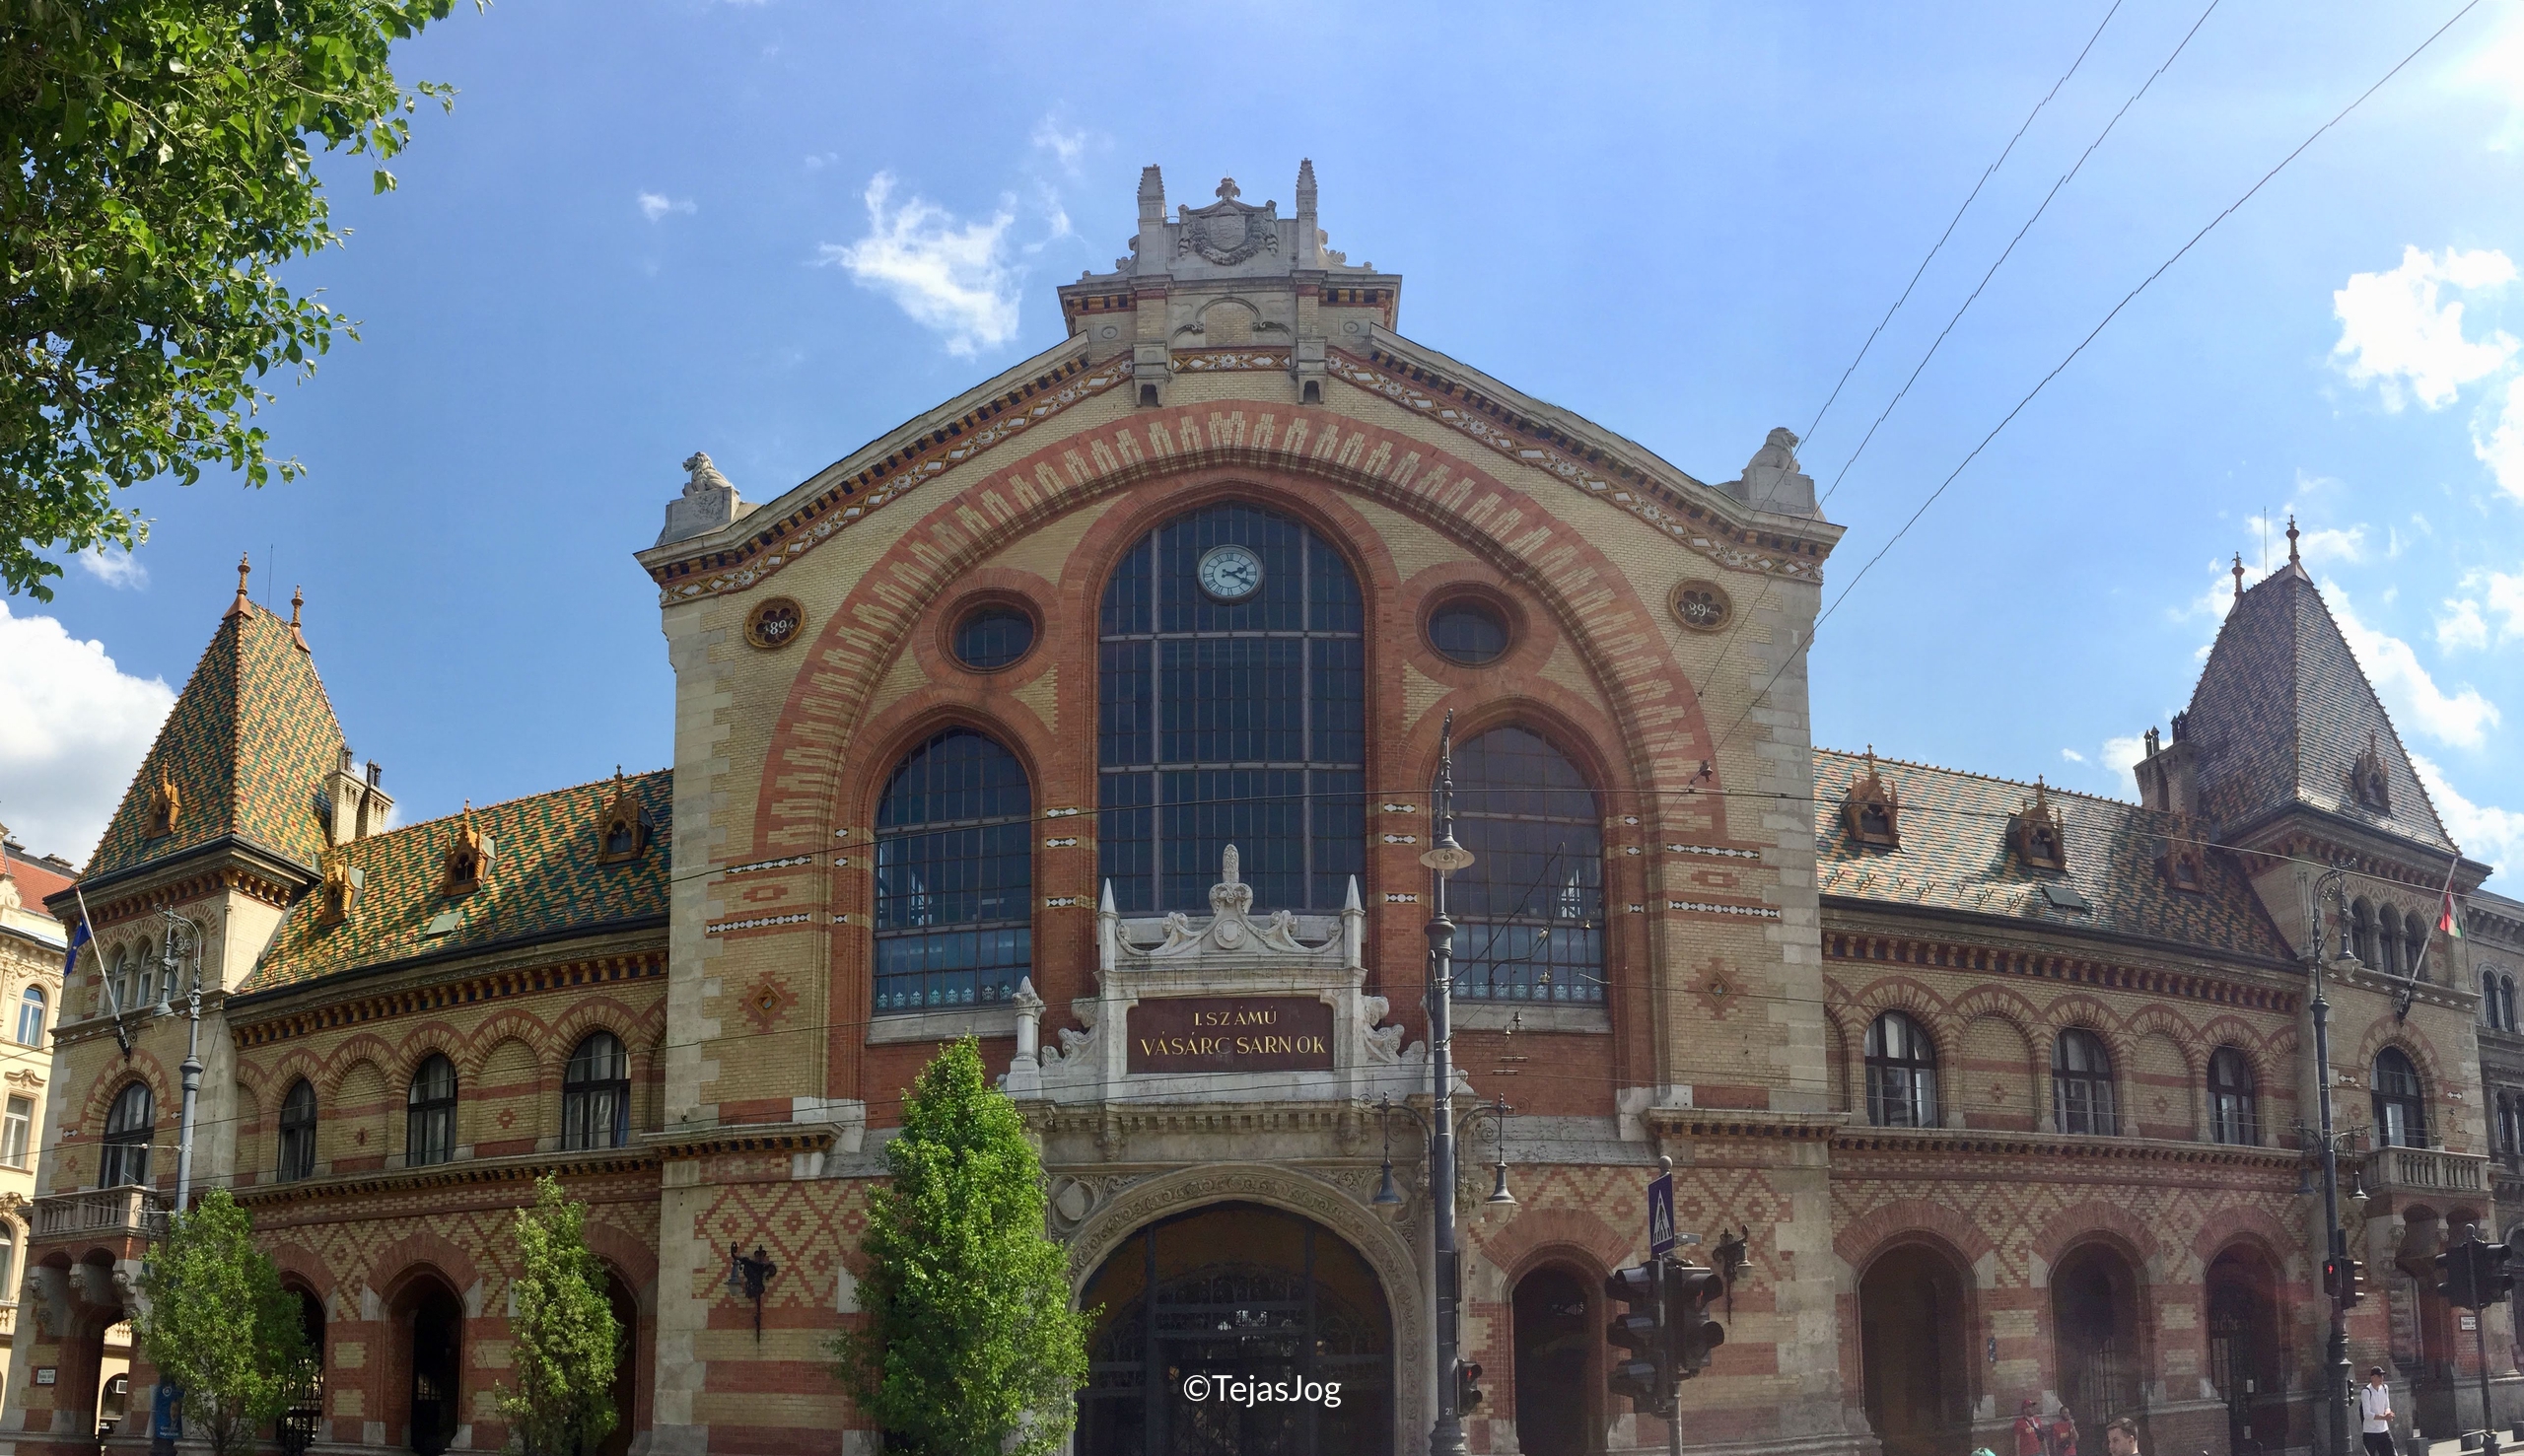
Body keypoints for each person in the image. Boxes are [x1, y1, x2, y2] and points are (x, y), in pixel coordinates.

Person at [2359, 1365, 2397, 1456]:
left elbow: (2387, 1406)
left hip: (2384, 1431)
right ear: (2373, 1378)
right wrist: (2383, 1417)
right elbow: (2367, 1414)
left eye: (2382, 1376)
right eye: (2379, 1376)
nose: (2381, 1378)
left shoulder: (2384, 1388)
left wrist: (2388, 1413)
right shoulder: (2366, 1391)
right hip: (2370, 1433)